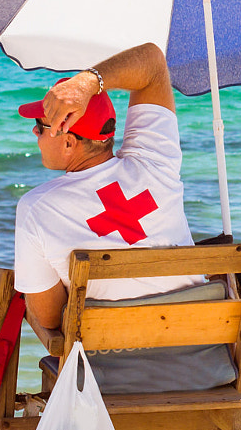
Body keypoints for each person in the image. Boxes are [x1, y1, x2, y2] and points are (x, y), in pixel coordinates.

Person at [14, 42, 202, 340]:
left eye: (40, 126)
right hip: (202, 360)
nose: (34, 133)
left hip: (110, 374)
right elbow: (153, 64)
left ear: (68, 143)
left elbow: (49, 319)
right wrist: (89, 83)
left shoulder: (36, 208)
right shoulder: (155, 162)